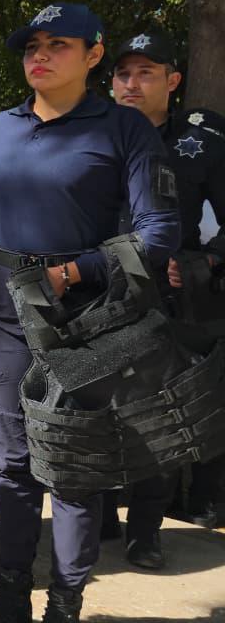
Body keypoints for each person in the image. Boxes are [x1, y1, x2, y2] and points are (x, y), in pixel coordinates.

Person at [0, 5, 178, 623]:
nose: (39, 56)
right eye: (30, 47)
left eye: (58, 45)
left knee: (73, 465)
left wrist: (77, 271)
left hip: (86, 316)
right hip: (0, 306)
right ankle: (12, 594)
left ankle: (65, 602)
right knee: (13, 462)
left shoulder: (125, 131)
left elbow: (159, 231)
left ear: (94, 54)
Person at [105, 29, 225, 566]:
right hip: (98, 295)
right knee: (98, 410)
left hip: (170, 302)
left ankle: (145, 528)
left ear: (172, 81)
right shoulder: (89, 134)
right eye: (123, 74)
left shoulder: (201, 141)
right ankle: (100, 514)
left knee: (158, 414)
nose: (131, 84)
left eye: (145, 73)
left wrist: (201, 264)